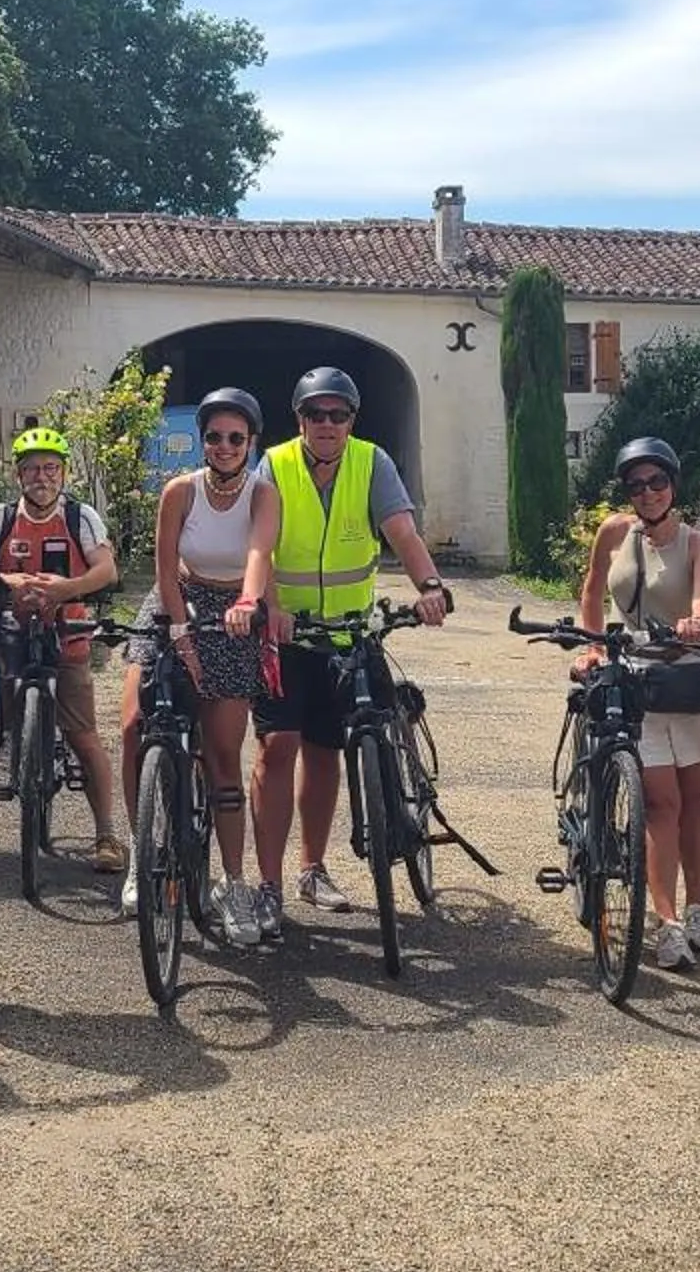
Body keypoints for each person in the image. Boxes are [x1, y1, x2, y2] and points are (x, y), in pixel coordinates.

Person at [254, 367, 452, 924]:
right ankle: (267, 884)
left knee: (325, 753)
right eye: (315, 414)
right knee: (276, 748)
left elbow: (402, 533)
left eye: (337, 414)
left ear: (351, 420)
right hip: (287, 636)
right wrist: (271, 606)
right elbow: (259, 548)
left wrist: (429, 587)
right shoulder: (274, 465)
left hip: (348, 636)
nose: (327, 423)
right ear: (299, 420)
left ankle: (312, 869)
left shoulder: (372, 463)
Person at [119, 388, 280, 941]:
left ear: (251, 442)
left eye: (236, 438)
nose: (224, 446)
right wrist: (180, 632)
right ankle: (141, 850)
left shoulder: (263, 494)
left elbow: (259, 554)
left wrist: (248, 602)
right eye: (214, 437)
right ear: (203, 441)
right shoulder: (180, 491)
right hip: (176, 600)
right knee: (134, 724)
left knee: (222, 757)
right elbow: (164, 569)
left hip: (232, 609)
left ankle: (233, 884)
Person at [573, 436, 700, 971]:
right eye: (636, 485)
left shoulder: (699, 542)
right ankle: (666, 923)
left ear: (673, 484)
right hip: (636, 676)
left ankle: (697, 907)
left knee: (695, 798)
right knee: (661, 801)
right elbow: (592, 590)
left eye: (657, 481)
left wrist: (698, 618)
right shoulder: (613, 532)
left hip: (688, 676)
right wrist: (592, 646)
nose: (647, 493)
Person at [0, 427, 127, 875]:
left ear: (63, 473)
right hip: (10, 636)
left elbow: (106, 570)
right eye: (31, 469)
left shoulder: (80, 517)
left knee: (83, 734)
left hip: (68, 634)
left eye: (50, 468)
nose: (41, 477)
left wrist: (68, 588)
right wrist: (7, 581)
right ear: (18, 476)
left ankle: (106, 833)